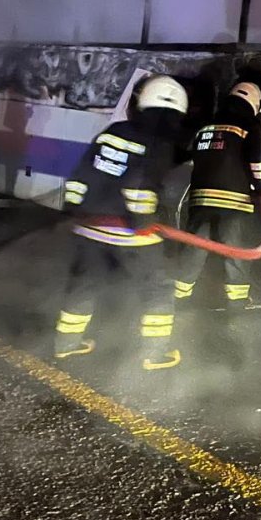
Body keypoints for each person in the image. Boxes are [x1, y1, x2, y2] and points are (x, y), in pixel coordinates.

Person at [54, 74, 188, 372]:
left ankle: (66, 344)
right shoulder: (159, 143)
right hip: (128, 232)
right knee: (158, 288)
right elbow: (139, 185)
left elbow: (81, 175)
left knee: (84, 284)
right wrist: (142, 221)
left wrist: (72, 207)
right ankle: (154, 353)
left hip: (89, 227)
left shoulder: (113, 131)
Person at [173, 79, 261, 309]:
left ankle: (179, 297)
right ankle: (236, 303)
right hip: (235, 203)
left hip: (199, 201)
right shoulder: (251, 126)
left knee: (193, 248)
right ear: (255, 103)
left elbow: (191, 154)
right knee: (235, 249)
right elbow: (259, 164)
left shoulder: (207, 125)